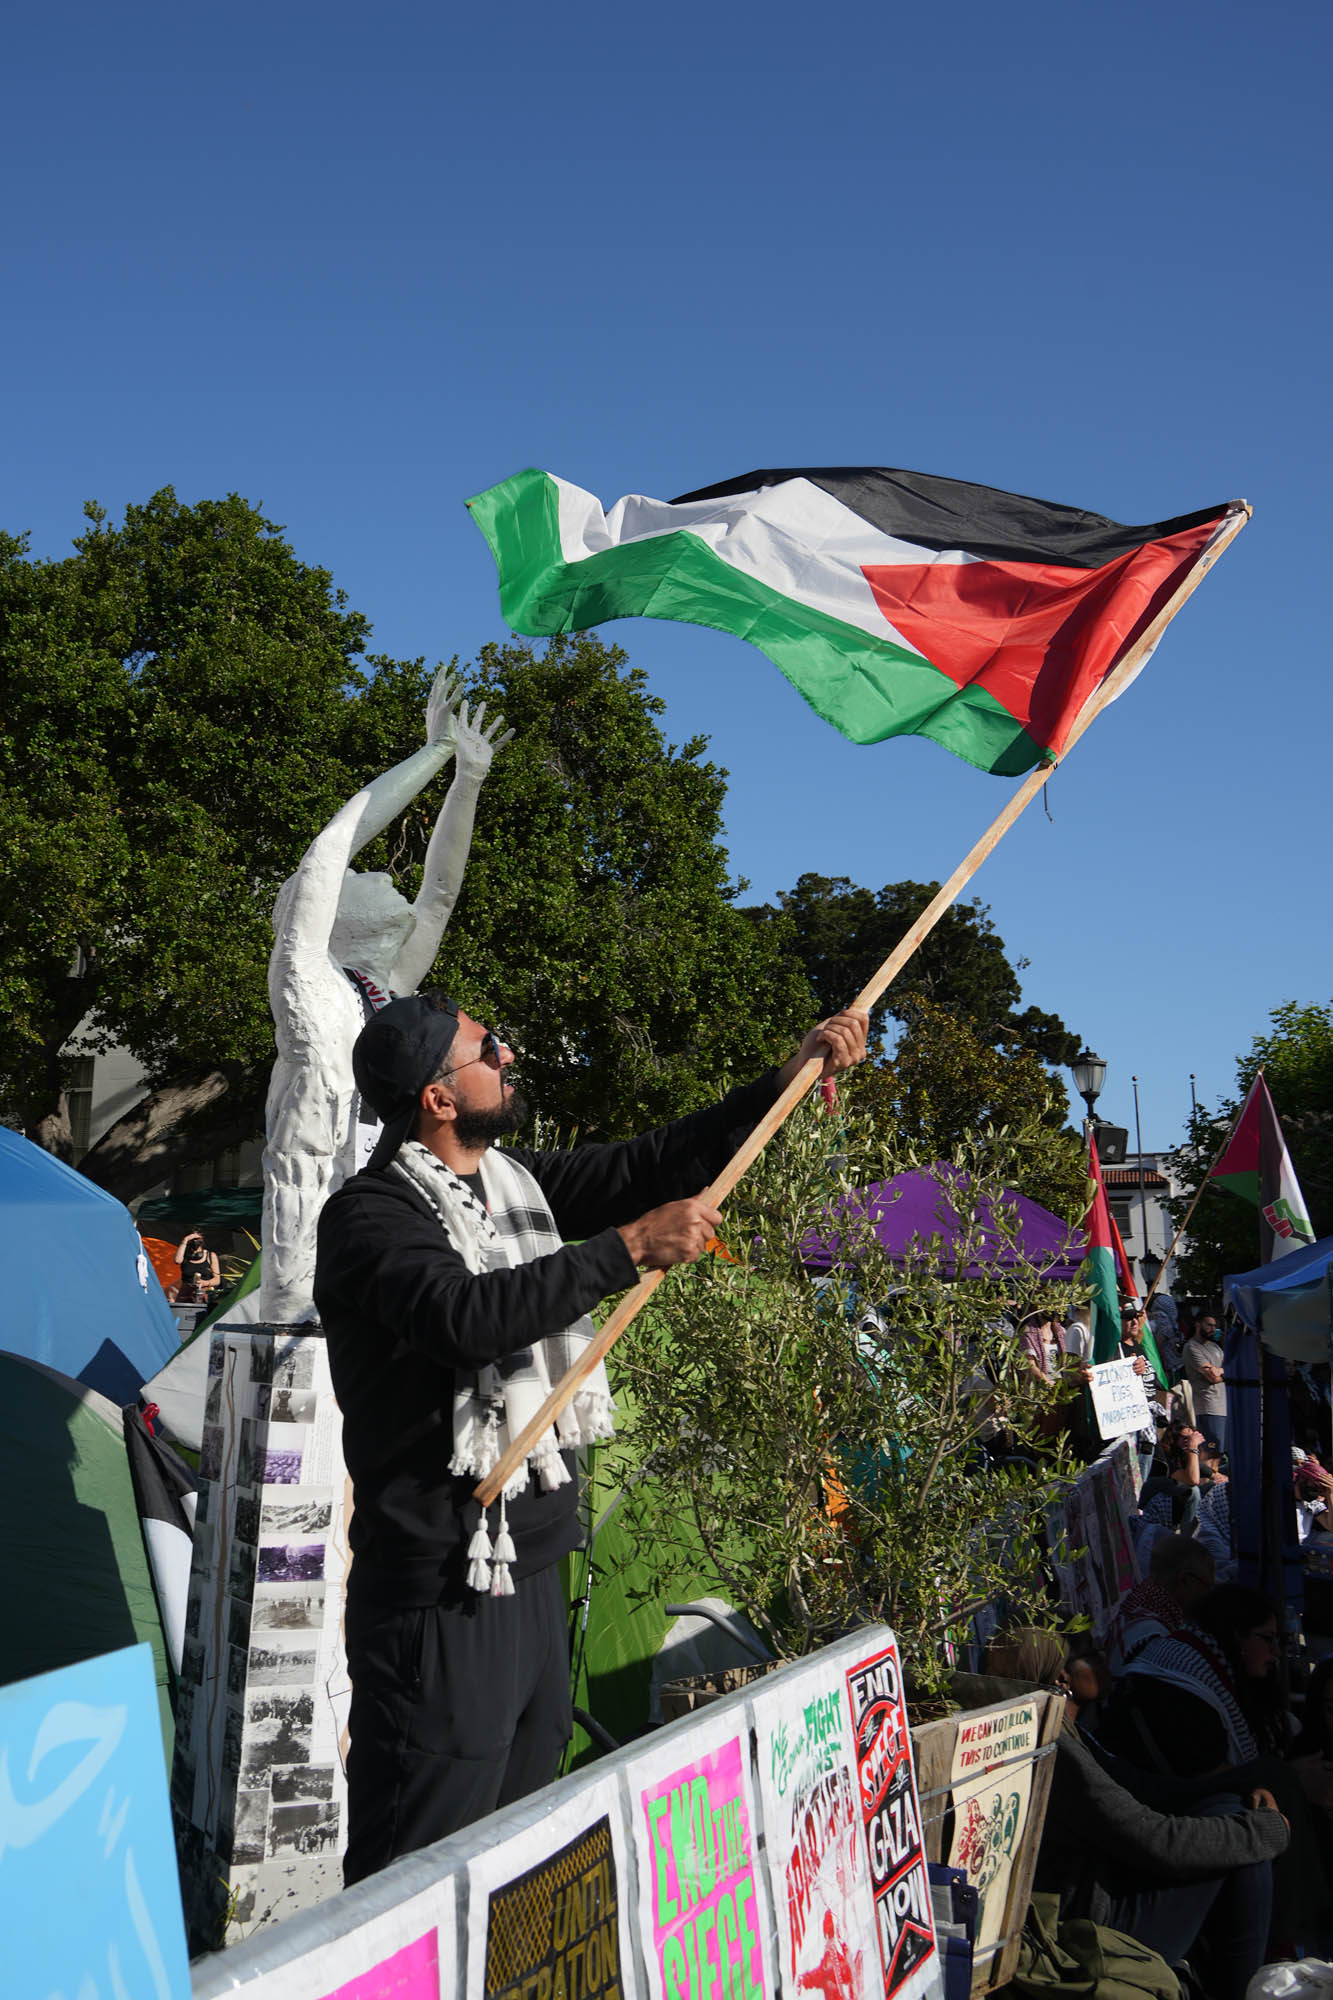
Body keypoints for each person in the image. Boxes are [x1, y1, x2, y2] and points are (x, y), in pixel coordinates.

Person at [313, 990, 870, 1883]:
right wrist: (626, 1249)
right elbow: (462, 1316)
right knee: (418, 1865)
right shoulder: (370, 1214)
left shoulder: (514, 1186)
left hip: (532, 1566)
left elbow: (648, 1163)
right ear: (437, 1097)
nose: (506, 1058)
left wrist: (789, 1077)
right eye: (485, 1050)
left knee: (515, 1854)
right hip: (443, 1592)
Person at [261, 671, 511, 1323]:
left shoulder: (385, 992)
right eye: (364, 876)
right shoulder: (308, 980)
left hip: (364, 1209)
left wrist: (468, 780)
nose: (378, 871)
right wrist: (432, 753)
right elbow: (334, 843)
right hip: (306, 1240)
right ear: (334, 914)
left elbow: (442, 893)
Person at [1104, 1534, 1216, 1679]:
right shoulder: (1155, 1636)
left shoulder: (1139, 1608)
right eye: (1207, 1586)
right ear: (1185, 1581)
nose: (1208, 1595)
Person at [1184, 1312, 1228, 1460]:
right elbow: (1212, 1377)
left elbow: (1226, 1370)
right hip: (1207, 1406)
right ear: (1198, 1325)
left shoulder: (1216, 1347)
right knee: (1210, 1452)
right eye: (1209, 1325)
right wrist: (1226, 1373)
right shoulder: (1192, 1347)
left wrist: (1222, 1371)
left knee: (1221, 1451)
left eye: (1215, 1326)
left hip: (1223, 1406)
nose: (1213, 1329)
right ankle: (1206, 1482)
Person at [172, 1226, 219, 1304]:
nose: (195, 1242)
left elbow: (217, 1280)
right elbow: (177, 1260)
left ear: (202, 1239)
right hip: (186, 1294)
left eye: (197, 1239)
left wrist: (204, 1283)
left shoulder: (211, 1256)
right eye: (192, 1239)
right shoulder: (184, 1255)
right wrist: (185, 1241)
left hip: (204, 1293)